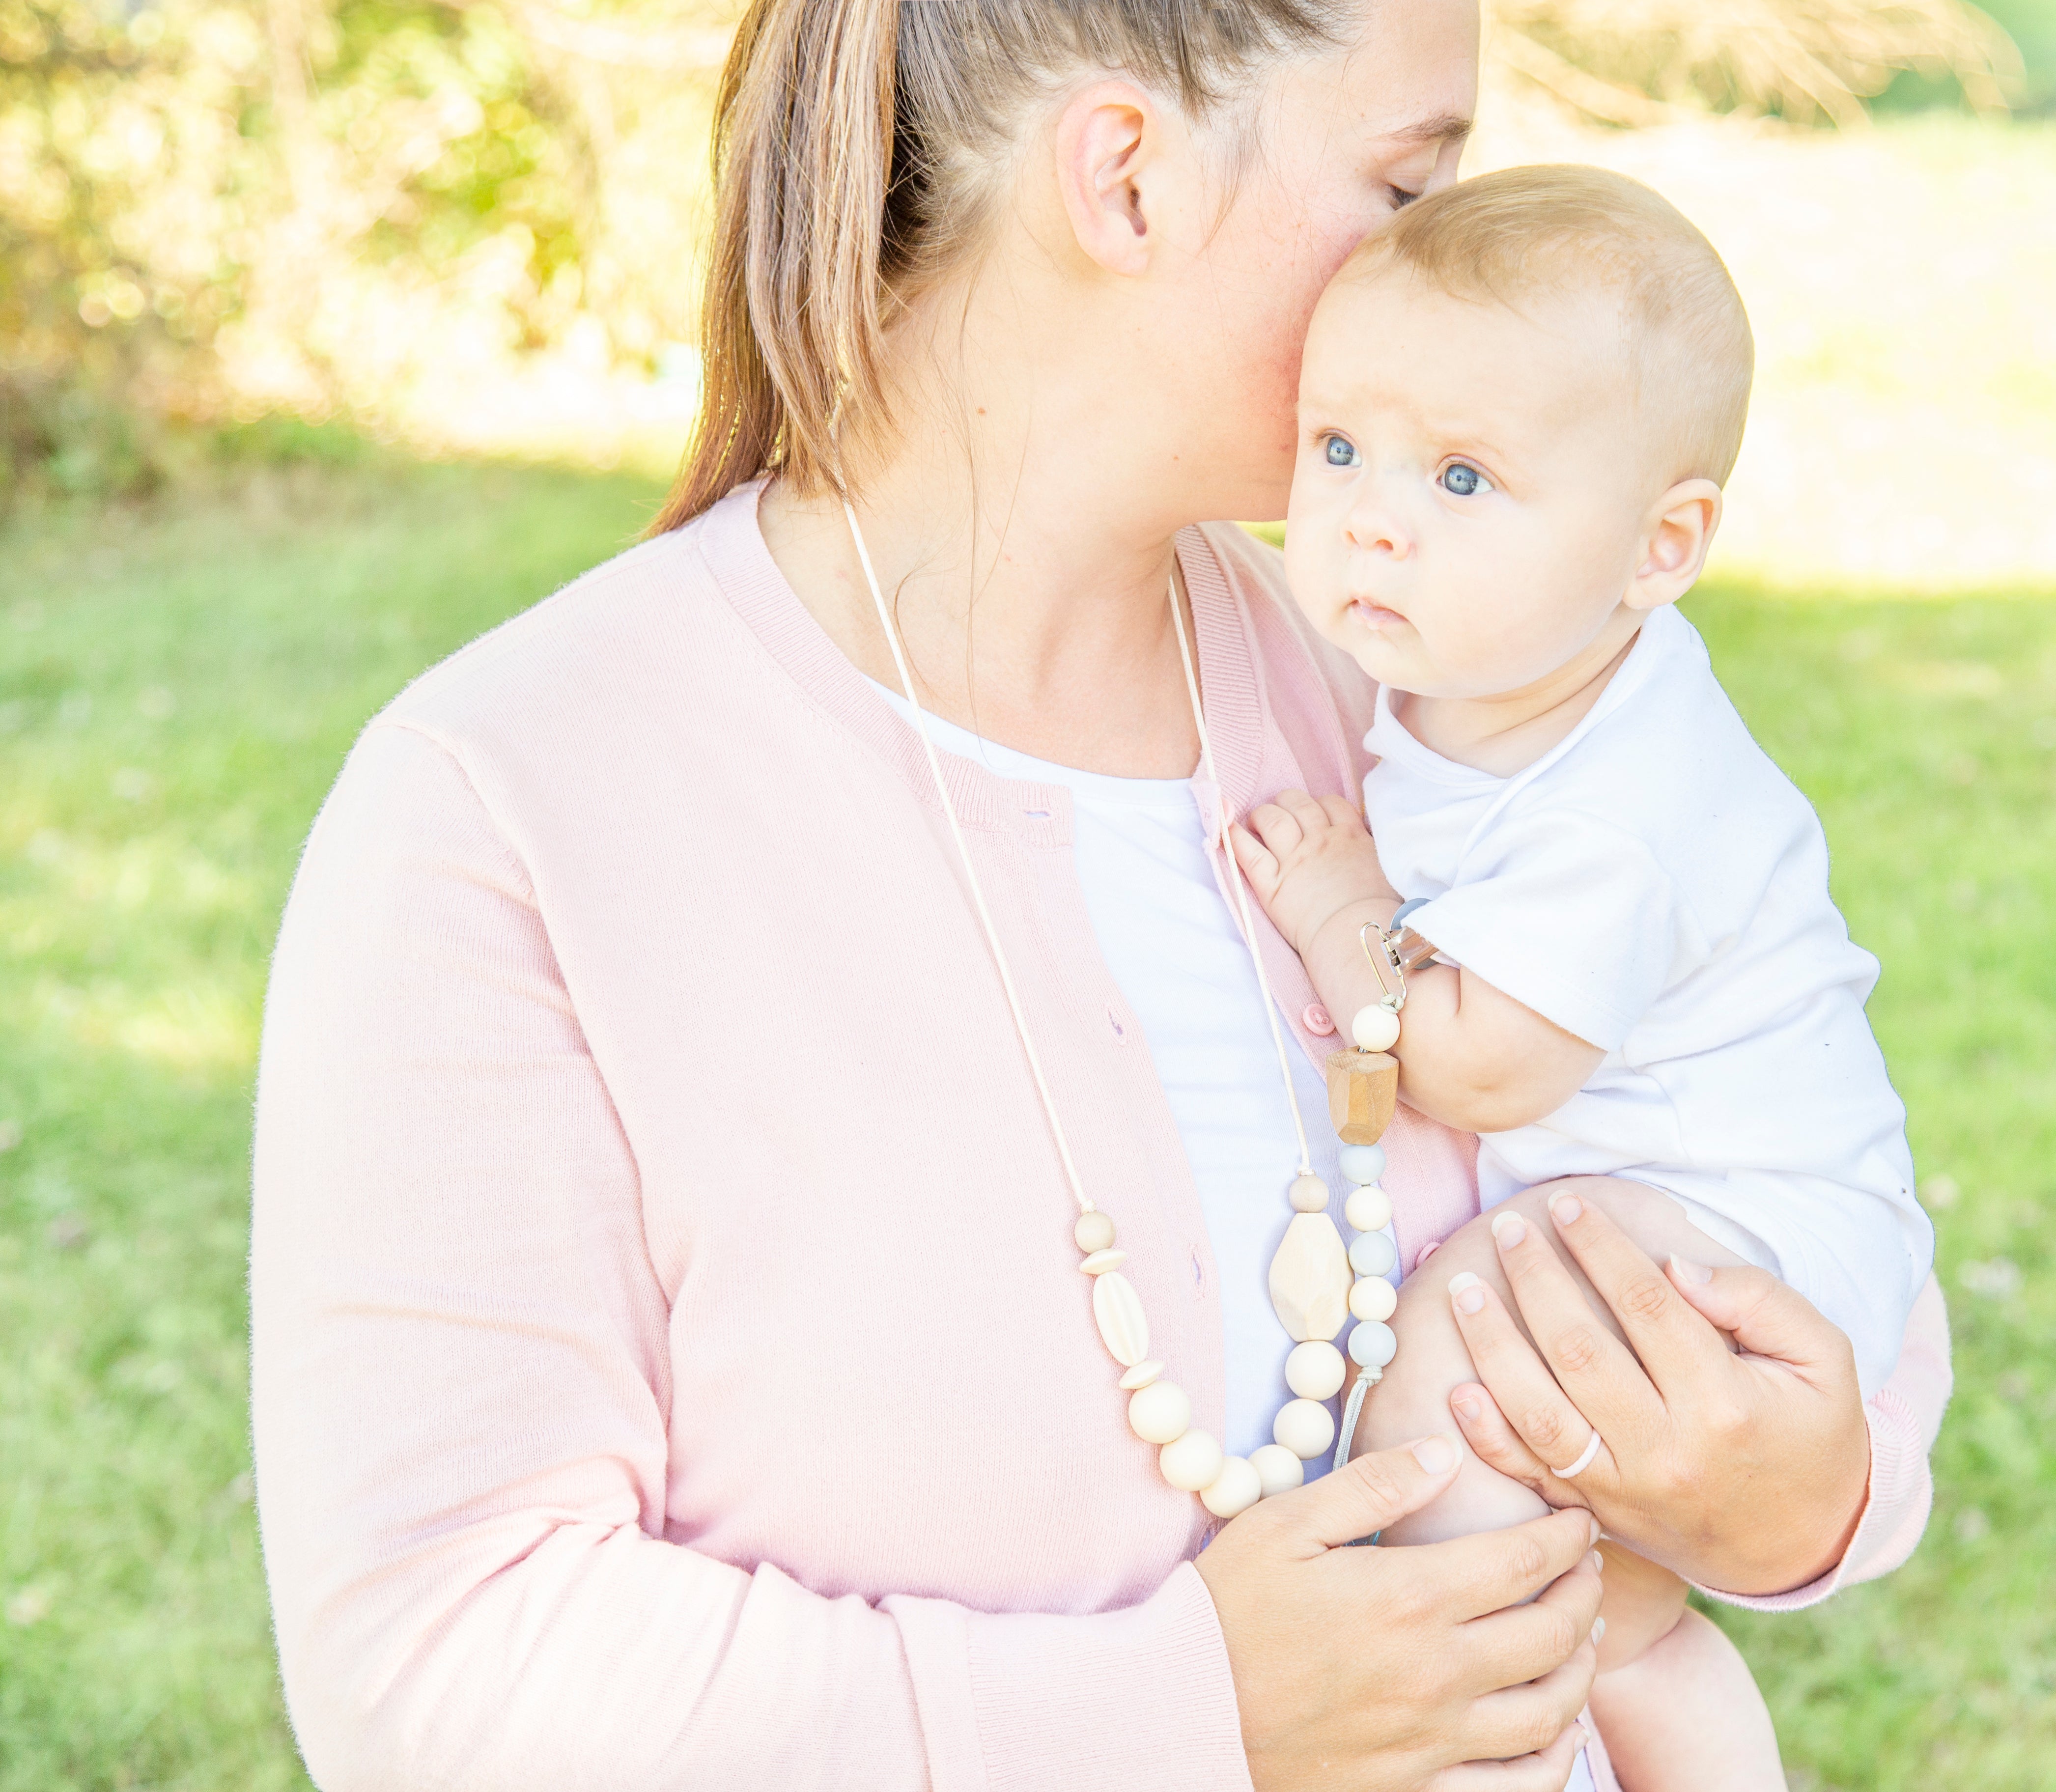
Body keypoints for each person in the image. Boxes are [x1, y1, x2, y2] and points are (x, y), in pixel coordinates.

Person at [248, 3, 1952, 1788]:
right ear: (1125, 178)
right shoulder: (510, 809)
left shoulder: (1420, 685)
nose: (1451, 268)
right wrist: (1190, 1714)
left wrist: (1797, 1488)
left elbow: (1772, 1145)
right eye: (1404, 180)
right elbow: (442, 1663)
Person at [1231, 165, 1933, 1788]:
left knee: (1459, 1368)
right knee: (1628, 1613)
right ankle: (1671, 1726)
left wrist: (1345, 915)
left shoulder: (1625, 800)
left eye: (1464, 478)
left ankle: (1469, 1690)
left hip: (1755, 1223)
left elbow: (1482, 1065)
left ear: (1657, 545)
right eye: (1337, 449)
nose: (1374, 515)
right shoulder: (1490, 672)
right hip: (1708, 1195)